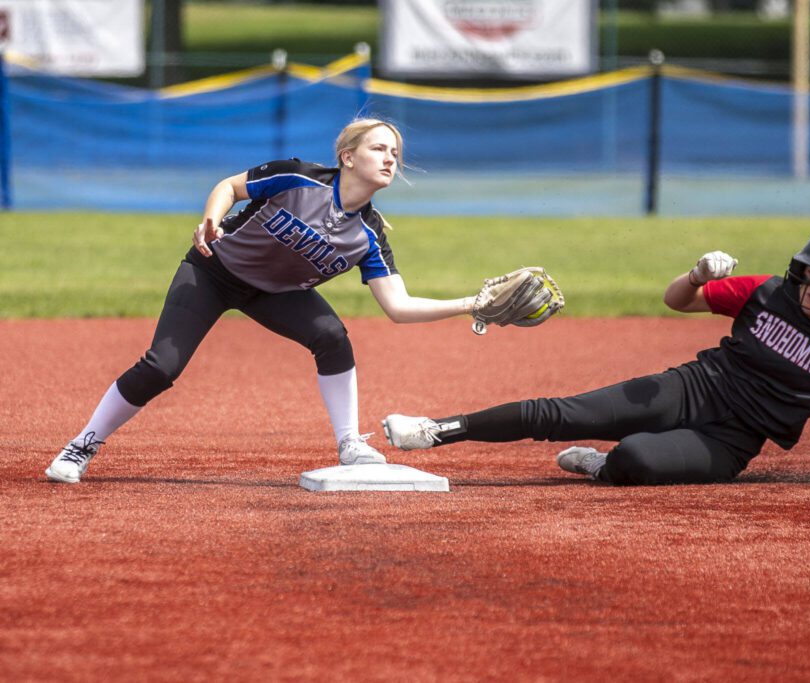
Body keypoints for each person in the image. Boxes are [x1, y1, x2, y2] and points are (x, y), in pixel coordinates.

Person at [46, 118, 489, 484]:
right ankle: (82, 444)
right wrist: (210, 221)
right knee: (162, 367)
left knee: (332, 336)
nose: (390, 158)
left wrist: (472, 303)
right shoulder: (298, 177)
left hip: (275, 293)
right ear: (348, 157)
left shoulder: (369, 236)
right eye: (378, 148)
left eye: (395, 153)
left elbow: (398, 306)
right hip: (213, 271)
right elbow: (230, 187)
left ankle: (351, 442)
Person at [382, 227, 810, 488]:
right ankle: (437, 430)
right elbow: (679, 301)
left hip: (733, 440)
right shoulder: (765, 292)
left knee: (635, 459)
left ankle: (602, 468)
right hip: (695, 387)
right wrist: (696, 272)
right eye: (809, 278)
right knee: (566, 413)